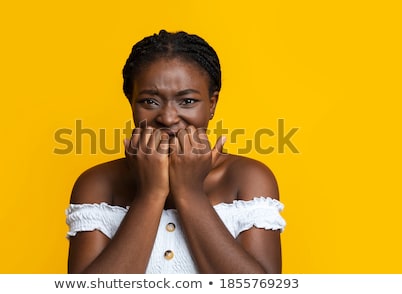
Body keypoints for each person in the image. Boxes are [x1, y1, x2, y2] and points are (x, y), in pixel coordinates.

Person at [65, 30, 286, 274]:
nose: (168, 118)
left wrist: (189, 192)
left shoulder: (248, 178)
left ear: (211, 104)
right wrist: (151, 193)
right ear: (131, 102)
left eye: (188, 101)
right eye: (150, 101)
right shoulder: (97, 183)